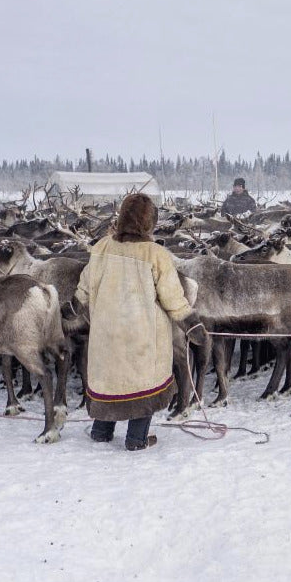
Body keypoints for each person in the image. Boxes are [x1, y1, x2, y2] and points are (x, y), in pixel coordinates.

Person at [75, 193, 205, 451]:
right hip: (142, 335)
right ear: (149, 223)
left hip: (106, 334)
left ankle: (101, 430)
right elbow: (172, 298)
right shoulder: (155, 254)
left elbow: (85, 286)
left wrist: (74, 305)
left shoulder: (101, 247)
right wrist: (192, 325)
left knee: (109, 378)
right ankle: (136, 439)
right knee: (142, 381)